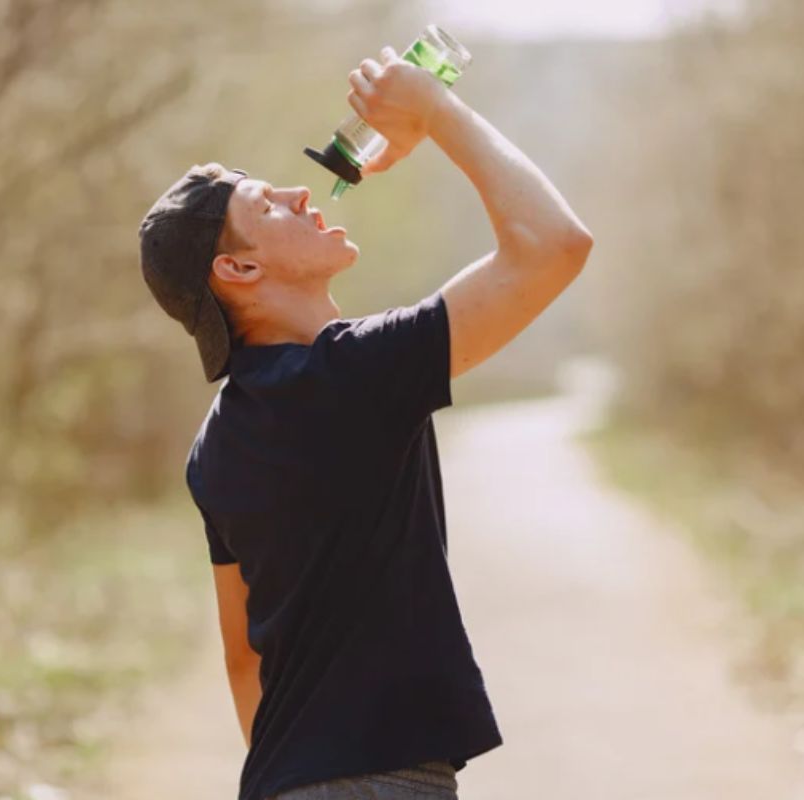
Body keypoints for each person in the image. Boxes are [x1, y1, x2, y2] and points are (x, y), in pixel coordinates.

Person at [137, 45, 593, 800]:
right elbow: (554, 244)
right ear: (240, 272)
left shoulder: (213, 444)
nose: (297, 192)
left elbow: (244, 658)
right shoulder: (351, 377)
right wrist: (437, 112)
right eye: (266, 205)